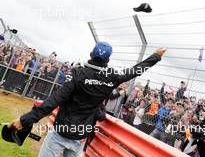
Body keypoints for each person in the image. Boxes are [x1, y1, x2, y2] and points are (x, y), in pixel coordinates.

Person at [7, 41, 167, 157]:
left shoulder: (78, 74)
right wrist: (155, 56)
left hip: (61, 132)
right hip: (81, 135)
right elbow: (134, 71)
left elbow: (54, 100)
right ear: (108, 60)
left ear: (91, 54)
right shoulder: (111, 76)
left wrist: (25, 119)